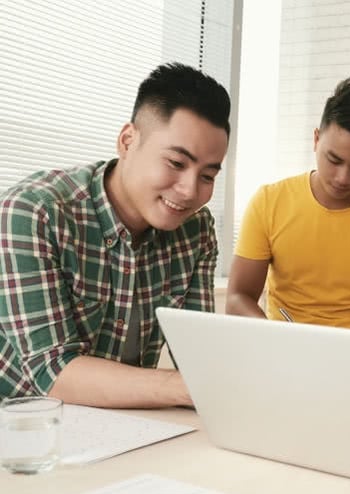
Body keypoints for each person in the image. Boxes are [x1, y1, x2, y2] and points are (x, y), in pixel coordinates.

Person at [0, 63, 231, 407]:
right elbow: (53, 371)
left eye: (208, 176)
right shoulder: (35, 211)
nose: (189, 191)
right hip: (21, 428)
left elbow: (197, 356)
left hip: (122, 428)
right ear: (127, 141)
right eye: (176, 163)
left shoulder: (196, 230)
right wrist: (189, 387)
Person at [227, 78, 350, 351]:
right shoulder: (269, 201)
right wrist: (272, 336)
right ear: (316, 139)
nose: (343, 178)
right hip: (280, 350)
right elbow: (238, 297)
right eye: (334, 160)